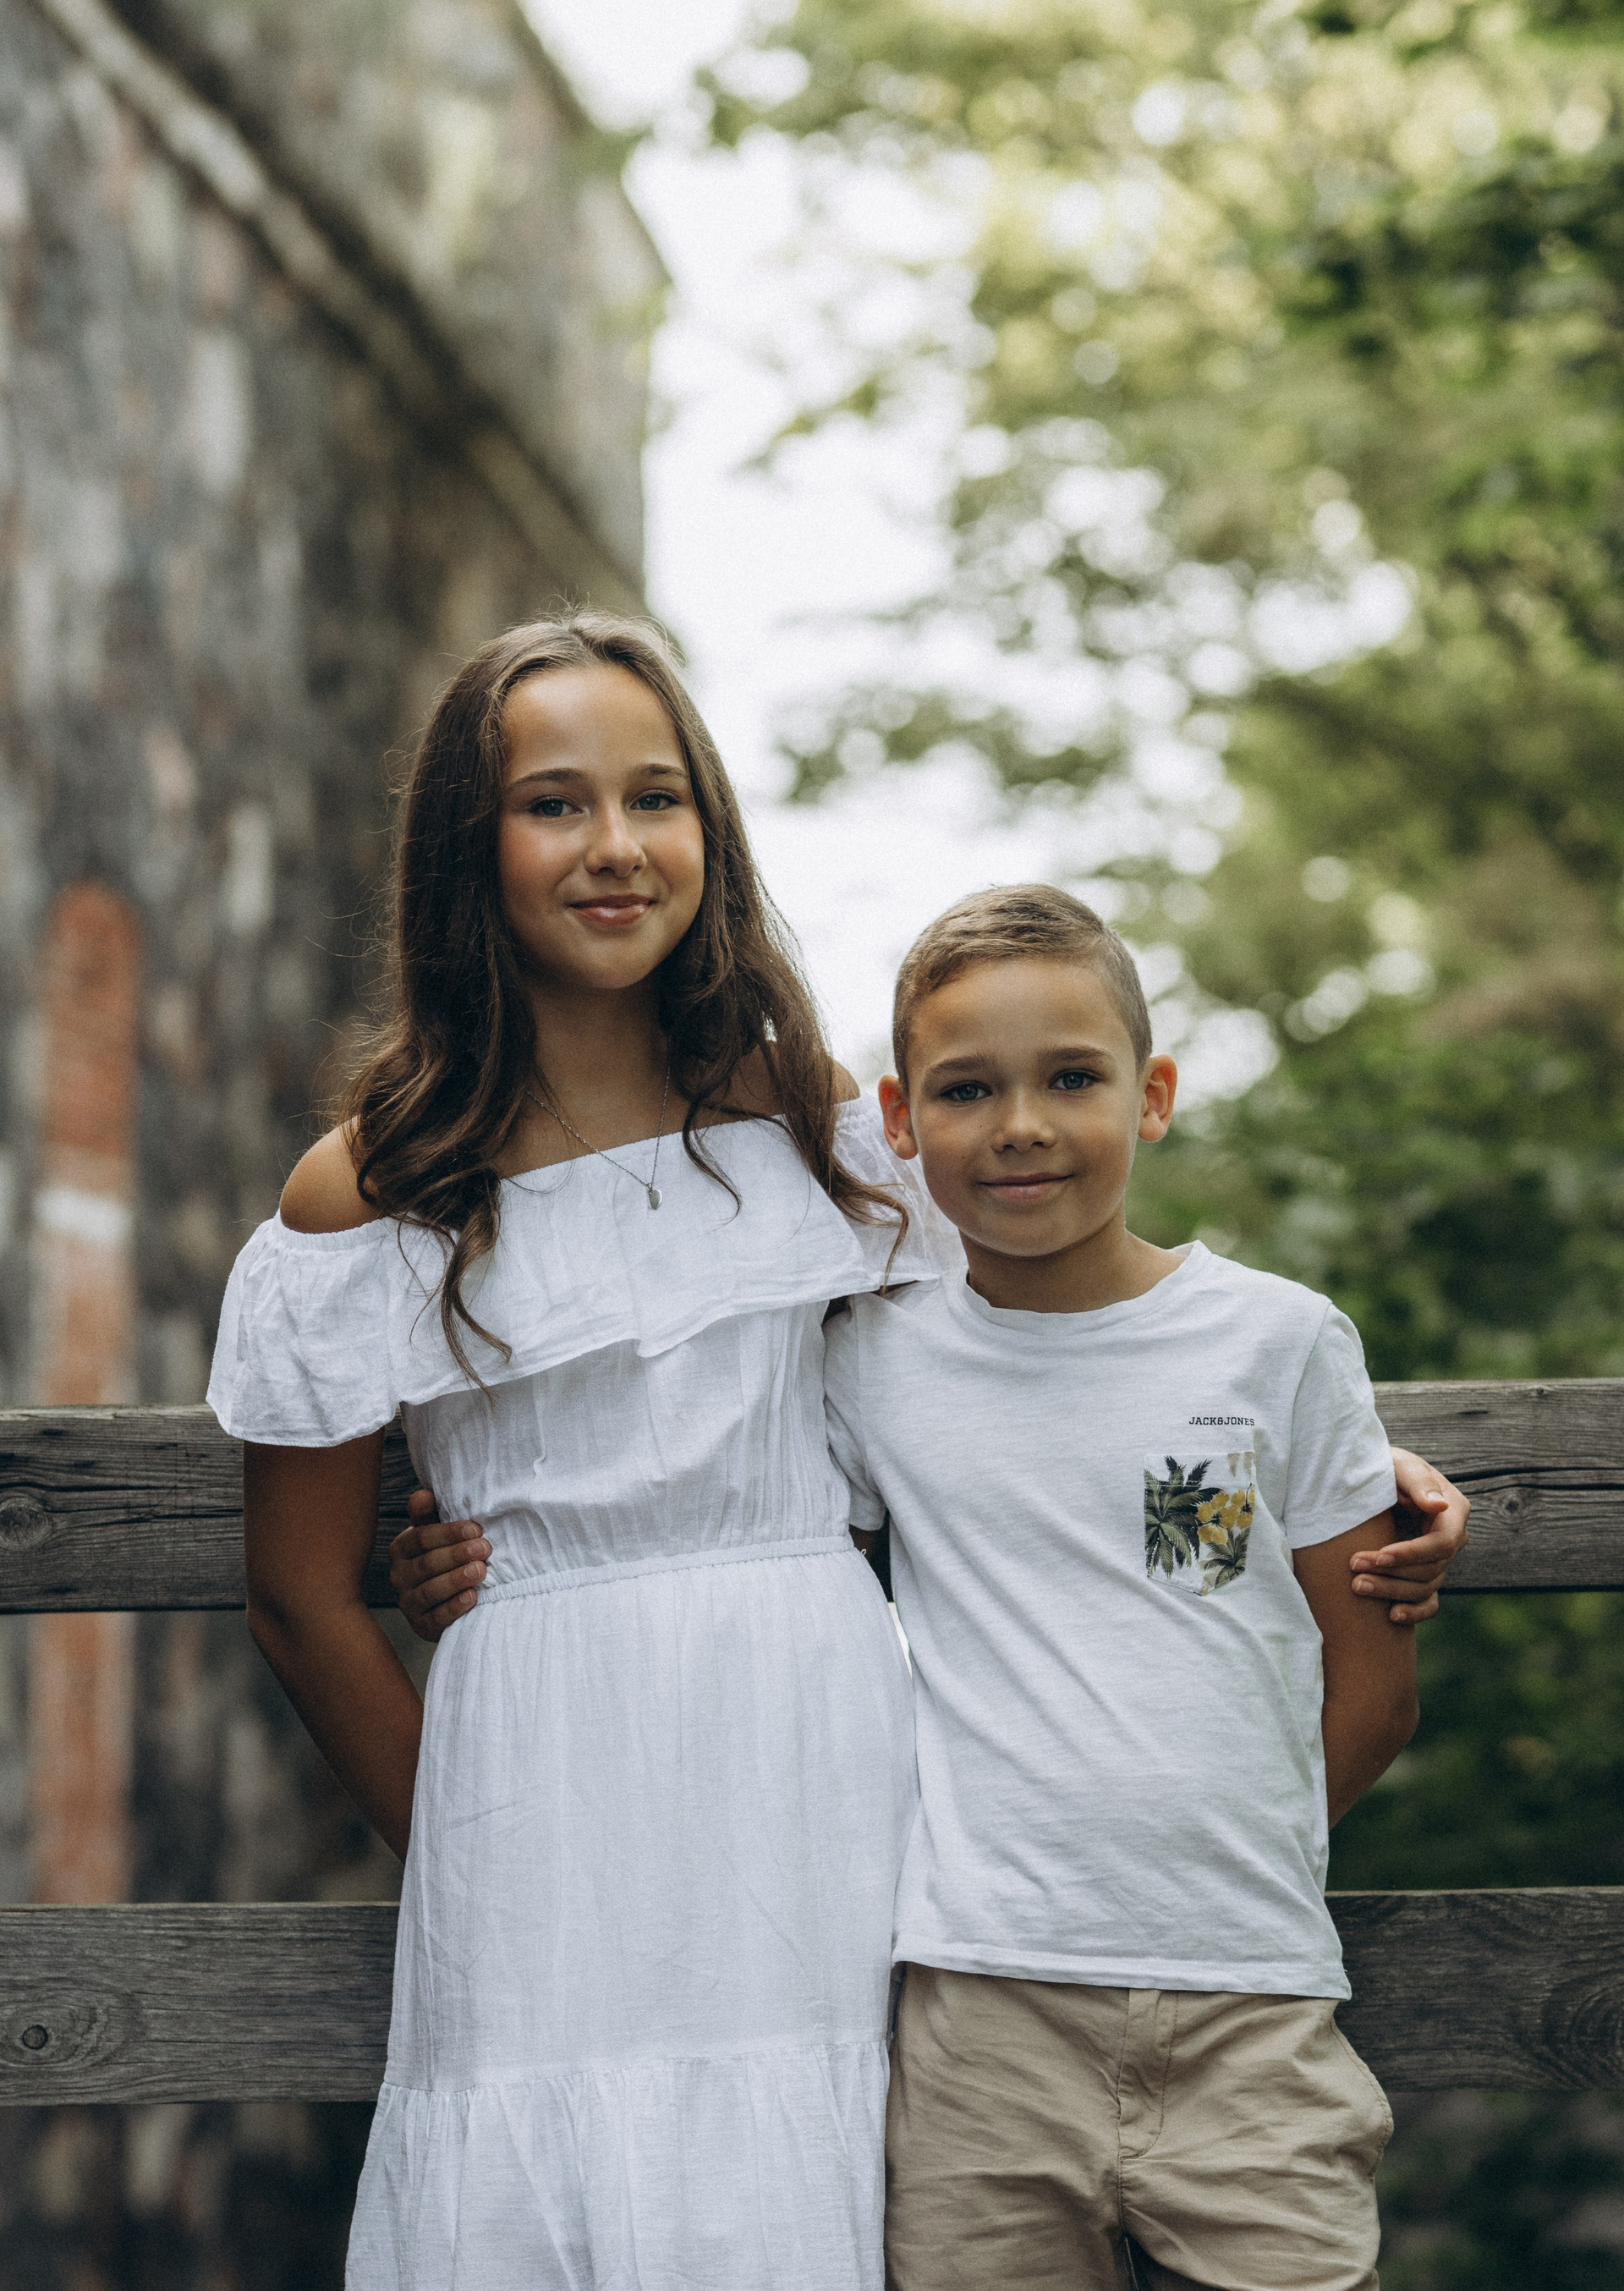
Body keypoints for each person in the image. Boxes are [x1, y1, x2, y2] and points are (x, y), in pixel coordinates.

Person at [209, 613, 958, 2291]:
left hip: (807, 1735)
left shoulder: (800, 1116)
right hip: (535, 1764)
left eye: (656, 797)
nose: (616, 845)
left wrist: (1326, 1461)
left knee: (821, 2177)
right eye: (556, 803)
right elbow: (300, 1595)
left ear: (710, 829)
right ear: (469, 848)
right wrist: (467, 1847)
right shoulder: (375, 1186)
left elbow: (997, 1377)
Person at [824, 883, 1429, 2291]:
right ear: (900, 1119)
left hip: (1250, 2004)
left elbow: (1375, 1688)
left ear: (1151, 1095)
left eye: (1072, 1077)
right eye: (966, 1088)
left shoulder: (1278, 1341)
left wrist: (1214, 1853)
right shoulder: (868, 1360)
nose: (1021, 1124)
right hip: (979, 2015)